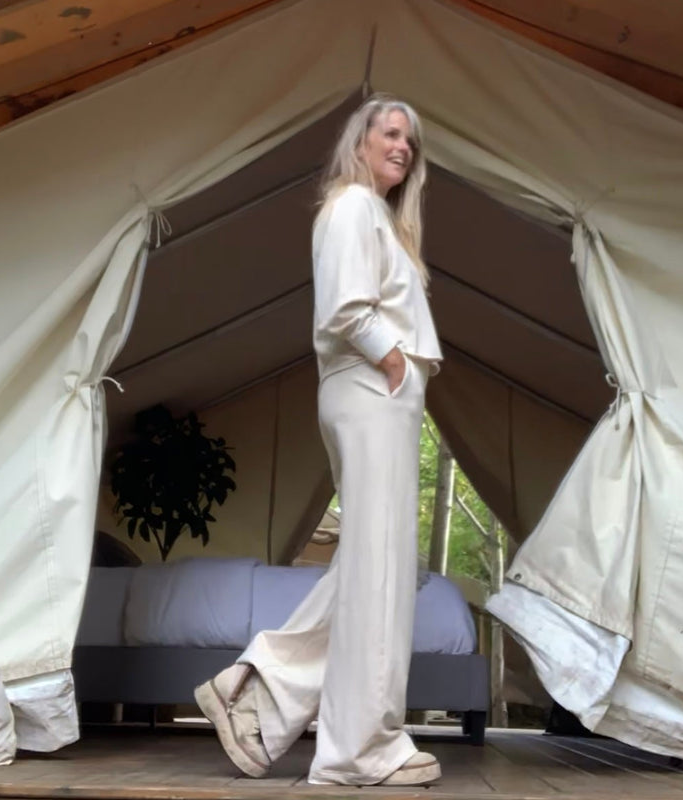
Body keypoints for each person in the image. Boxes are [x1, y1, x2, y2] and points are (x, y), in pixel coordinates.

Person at [194, 94, 443, 786]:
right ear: (359, 142)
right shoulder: (353, 207)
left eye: (410, 141)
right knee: (379, 575)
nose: (402, 146)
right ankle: (359, 750)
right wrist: (393, 362)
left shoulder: (376, 216)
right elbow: (345, 308)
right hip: (371, 393)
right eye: (390, 133)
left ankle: (255, 694)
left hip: (376, 397)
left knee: (373, 567)